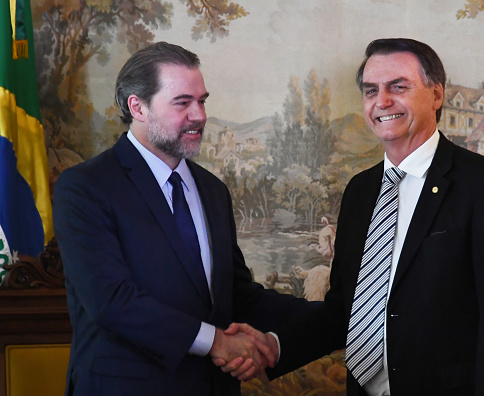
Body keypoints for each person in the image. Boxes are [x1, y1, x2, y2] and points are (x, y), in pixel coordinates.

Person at [223, 38, 484, 395]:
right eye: (371, 91)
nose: (382, 102)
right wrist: (275, 346)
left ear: (436, 95)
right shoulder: (360, 190)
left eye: (398, 87)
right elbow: (346, 311)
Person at [53, 42, 313, 396]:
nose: (200, 115)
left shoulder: (212, 190)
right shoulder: (86, 187)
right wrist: (216, 342)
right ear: (138, 107)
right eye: (183, 102)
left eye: (202, 100)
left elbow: (234, 294)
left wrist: (326, 314)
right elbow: (111, 301)